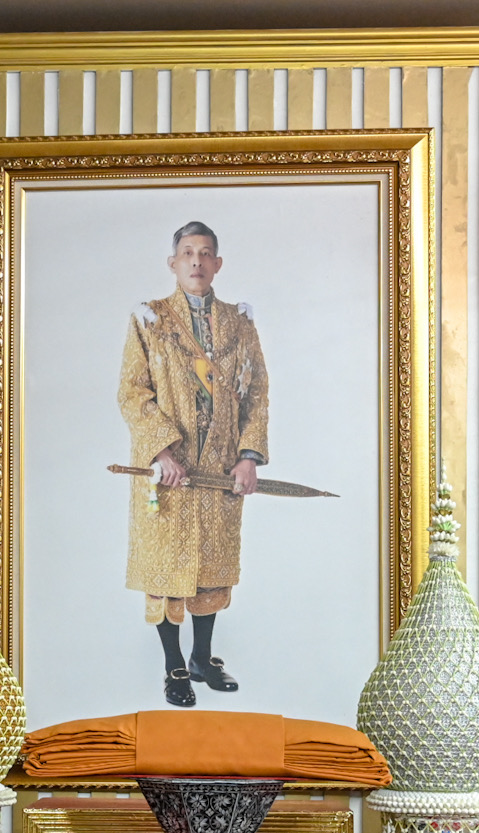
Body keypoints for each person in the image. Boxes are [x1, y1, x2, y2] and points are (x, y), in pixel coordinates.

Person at [116, 220, 270, 707]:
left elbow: (257, 393)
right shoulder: (151, 320)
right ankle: (174, 665)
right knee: (166, 568)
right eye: (187, 253)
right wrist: (161, 451)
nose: (196, 261)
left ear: (217, 263)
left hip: (219, 470)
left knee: (211, 564)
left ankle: (203, 657)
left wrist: (248, 457)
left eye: (205, 253)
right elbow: (133, 392)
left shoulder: (239, 324)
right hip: (169, 474)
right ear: (173, 262)